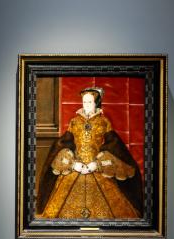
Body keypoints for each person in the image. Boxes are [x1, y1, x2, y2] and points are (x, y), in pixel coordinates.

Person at [36, 87, 143, 219]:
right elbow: (64, 144)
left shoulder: (104, 122)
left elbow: (114, 145)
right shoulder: (74, 122)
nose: (86, 105)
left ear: (96, 103)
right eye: (84, 102)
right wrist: (73, 164)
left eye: (90, 102)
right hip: (77, 167)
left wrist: (97, 164)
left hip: (96, 166)